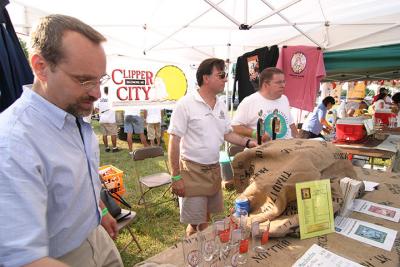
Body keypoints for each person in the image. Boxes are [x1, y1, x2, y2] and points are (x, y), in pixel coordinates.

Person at [0, 15, 123, 267]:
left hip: (96, 236)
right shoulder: (13, 143)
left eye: (100, 79)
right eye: (84, 79)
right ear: (40, 66)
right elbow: (22, 258)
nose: (97, 92)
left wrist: (98, 211)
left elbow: (77, 180)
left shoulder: (71, 110)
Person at [168, 58, 257, 236]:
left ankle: (204, 255)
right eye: (221, 75)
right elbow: (174, 140)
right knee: (196, 223)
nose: (225, 79)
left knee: (206, 218)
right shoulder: (185, 104)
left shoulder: (221, 105)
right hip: (192, 171)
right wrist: (176, 176)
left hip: (213, 169)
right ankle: (194, 257)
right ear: (206, 78)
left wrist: (249, 142)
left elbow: (226, 134)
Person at [231, 67, 298, 140]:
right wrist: (255, 134)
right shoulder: (249, 101)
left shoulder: (284, 99)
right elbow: (235, 127)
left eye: (284, 82)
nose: (283, 85)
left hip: (286, 148)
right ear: (266, 84)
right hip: (262, 150)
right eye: (278, 82)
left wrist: (298, 140)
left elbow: (291, 124)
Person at [96, 86, 119, 152]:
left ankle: (107, 148)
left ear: (104, 91)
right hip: (111, 119)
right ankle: (114, 148)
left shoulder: (100, 99)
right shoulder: (113, 98)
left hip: (102, 119)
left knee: (104, 134)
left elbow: (96, 109)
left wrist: (100, 112)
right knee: (113, 134)